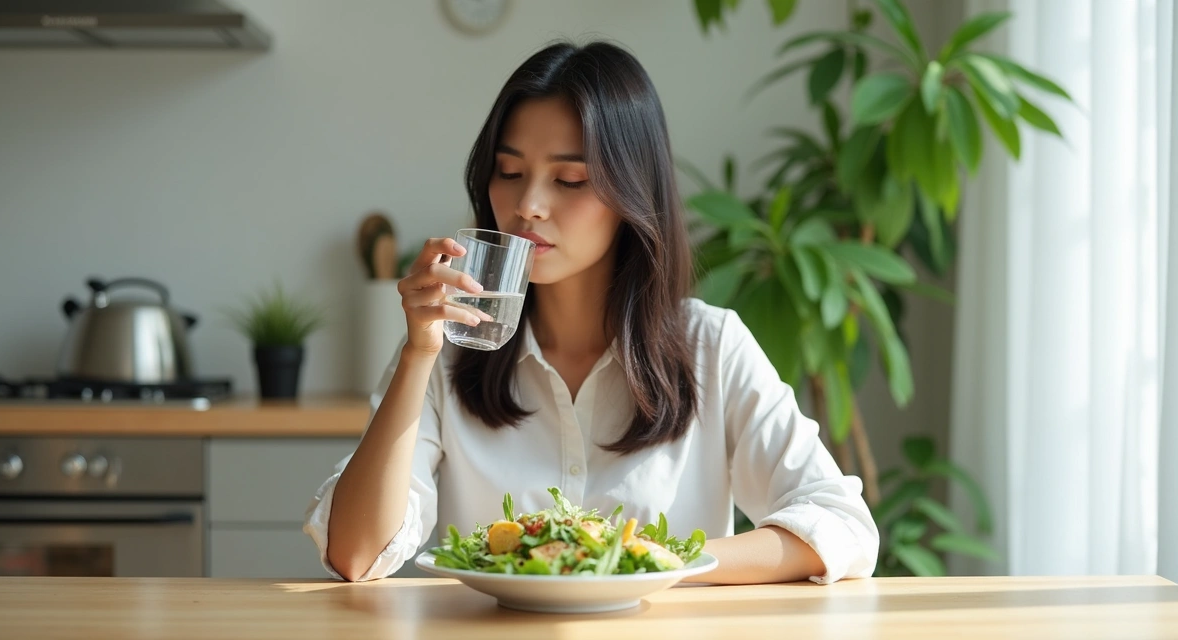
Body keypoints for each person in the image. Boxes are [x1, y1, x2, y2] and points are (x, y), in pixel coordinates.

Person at [304, 40, 878, 585]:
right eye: (509, 172)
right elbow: (355, 554)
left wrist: (651, 563)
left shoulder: (711, 346)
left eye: (570, 179)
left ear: (633, 194)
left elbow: (844, 526)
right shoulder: (449, 351)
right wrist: (417, 354)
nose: (529, 205)